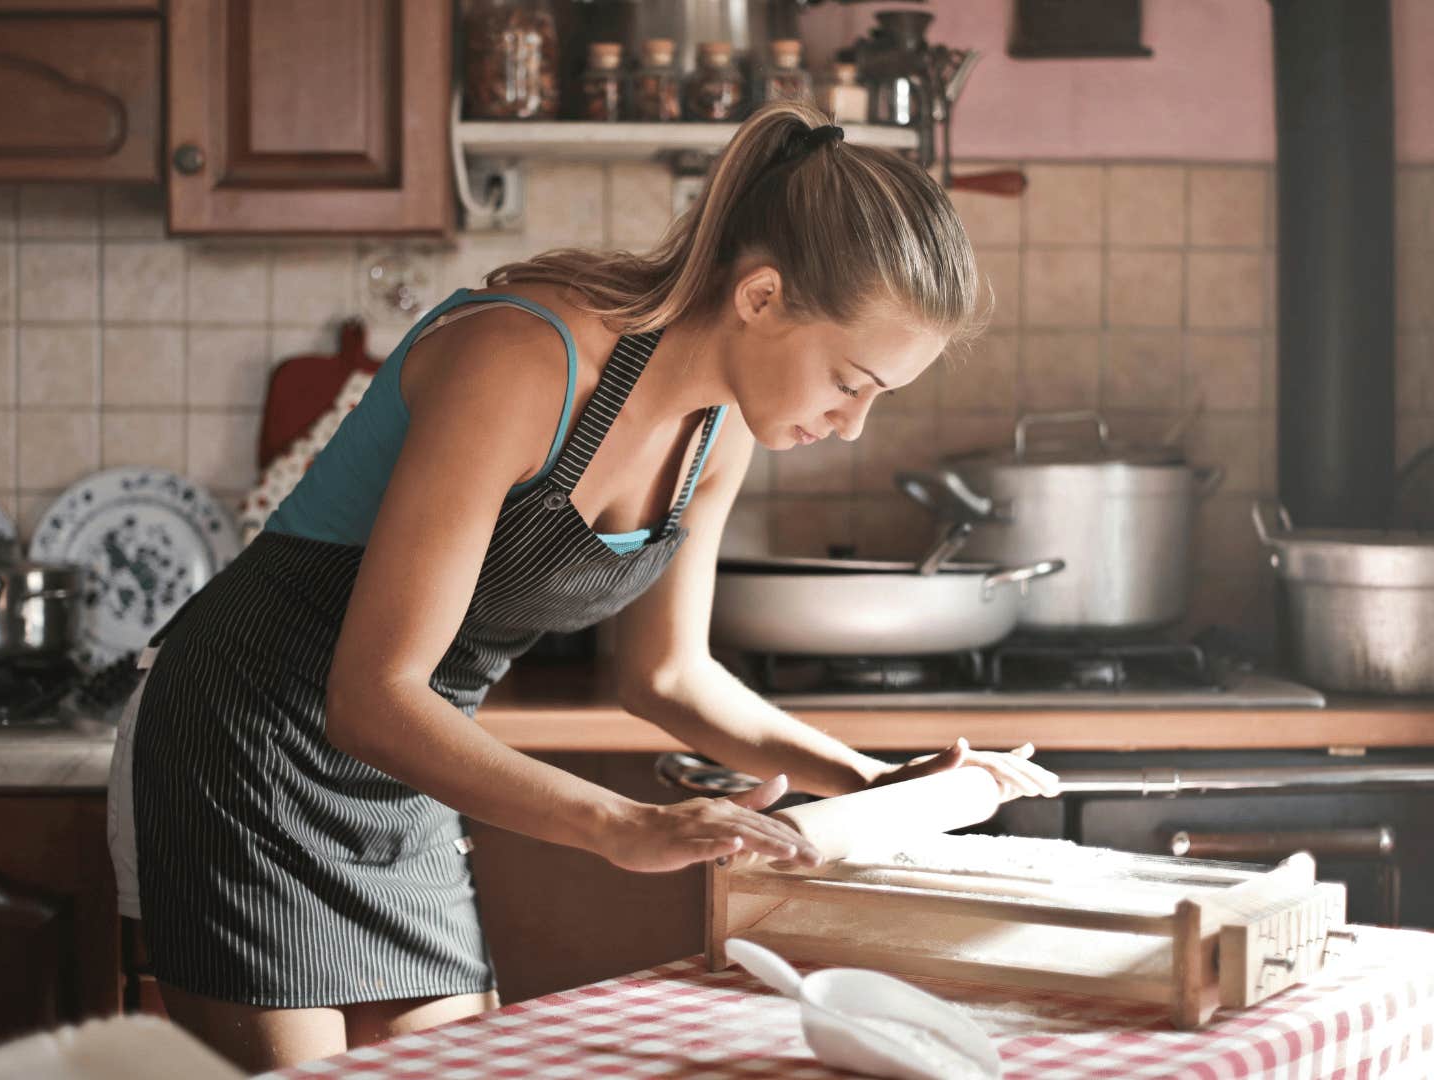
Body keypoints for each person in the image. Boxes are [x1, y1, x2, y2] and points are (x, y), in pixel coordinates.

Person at [105, 100, 1060, 1073]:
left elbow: (671, 678)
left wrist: (879, 785)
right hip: (251, 740)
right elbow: (371, 694)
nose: (851, 423)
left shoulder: (718, 431)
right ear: (762, 297)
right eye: (849, 381)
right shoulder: (524, 356)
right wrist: (621, 826)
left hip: (411, 761)